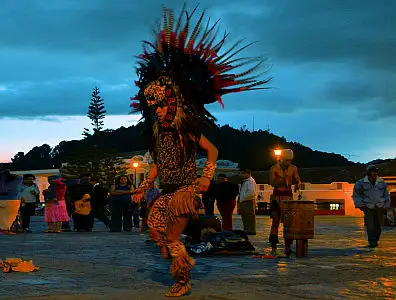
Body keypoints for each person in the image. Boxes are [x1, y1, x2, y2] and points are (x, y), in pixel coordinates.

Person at [129, 5, 269, 296]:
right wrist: (145, 185)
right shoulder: (157, 134)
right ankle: (180, 258)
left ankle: (182, 280)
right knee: (156, 232)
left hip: (183, 192)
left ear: (173, 101)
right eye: (153, 106)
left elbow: (212, 150)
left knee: (171, 237)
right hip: (166, 191)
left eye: (162, 104)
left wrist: (206, 177)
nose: (157, 110)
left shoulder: (186, 129)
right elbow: (157, 162)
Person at [269, 149, 302, 253]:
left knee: (288, 222)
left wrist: (298, 183)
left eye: (290, 160)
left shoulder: (293, 168)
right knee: (275, 220)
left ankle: (288, 246)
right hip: (276, 196)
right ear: (281, 159)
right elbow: (272, 183)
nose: (288, 162)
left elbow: (297, 179)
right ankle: (273, 245)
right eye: (286, 160)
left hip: (288, 197)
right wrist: (282, 179)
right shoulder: (274, 168)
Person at [352, 166, 390, 248]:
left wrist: (386, 205)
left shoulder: (382, 182)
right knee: (370, 225)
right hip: (368, 206)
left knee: (378, 225)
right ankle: (372, 241)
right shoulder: (360, 183)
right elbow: (356, 195)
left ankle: (376, 239)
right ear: (368, 172)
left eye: (376, 171)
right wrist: (360, 205)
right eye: (372, 171)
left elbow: (386, 194)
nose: (374, 173)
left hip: (380, 206)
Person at [236, 169, 258, 235]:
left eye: (243, 173)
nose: (241, 175)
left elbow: (251, 193)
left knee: (249, 216)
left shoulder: (250, 181)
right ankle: (247, 229)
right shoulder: (245, 181)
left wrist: (243, 199)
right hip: (244, 201)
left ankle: (250, 230)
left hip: (248, 201)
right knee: (245, 217)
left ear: (248, 174)